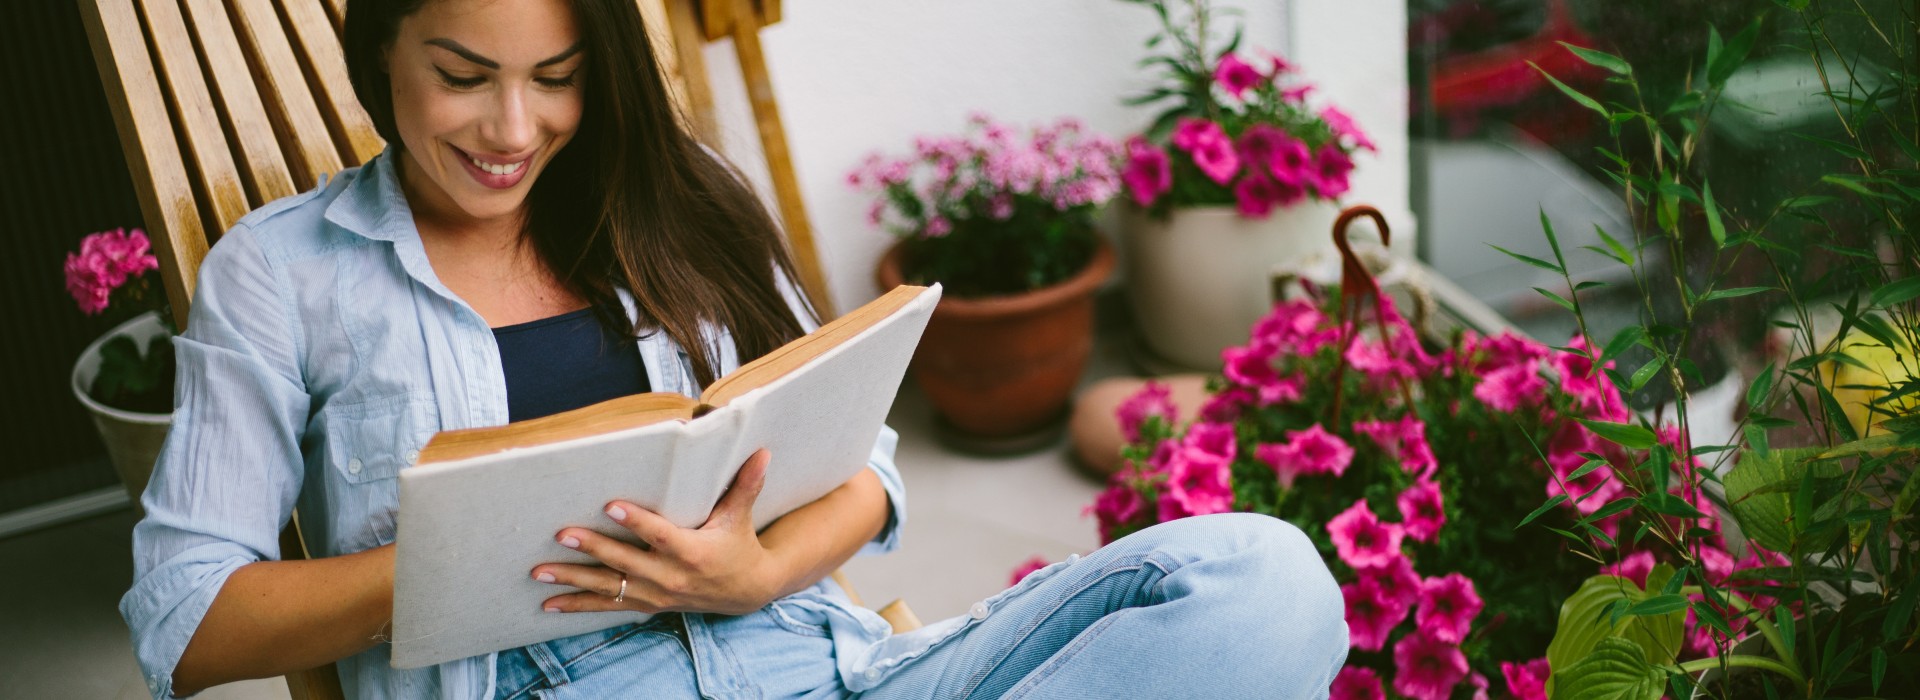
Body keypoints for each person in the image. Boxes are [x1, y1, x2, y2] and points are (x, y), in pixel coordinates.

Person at [121, 0, 1349, 697]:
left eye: (555, 78)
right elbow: (188, 622)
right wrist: (476, 556)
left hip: (827, 667)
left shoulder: (677, 196)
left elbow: (866, 469)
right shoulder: (283, 274)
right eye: (461, 77)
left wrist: (751, 575)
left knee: (1262, 577)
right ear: (379, 46)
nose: (512, 128)